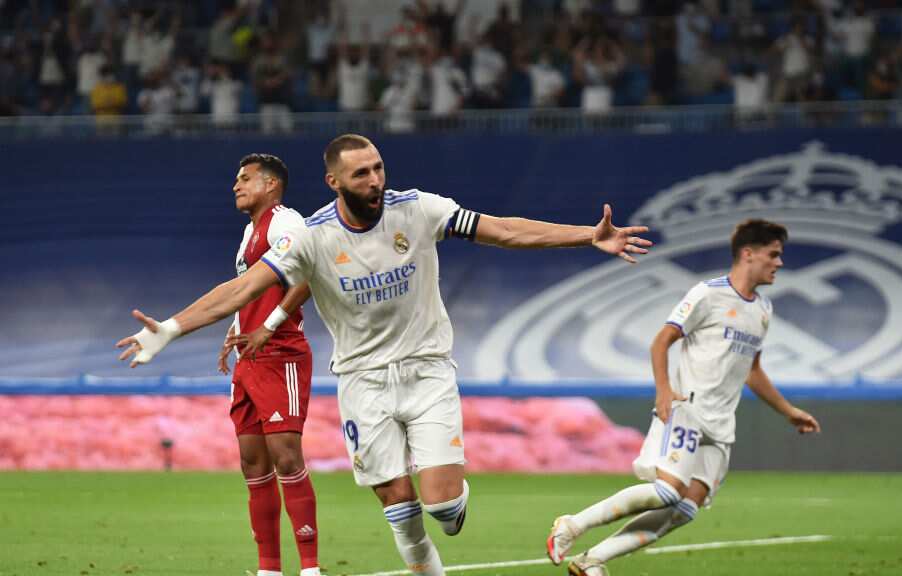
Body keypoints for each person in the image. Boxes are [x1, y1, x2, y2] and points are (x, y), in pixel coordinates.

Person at [116, 134, 653, 575]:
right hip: (362, 382)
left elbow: (503, 230)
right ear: (335, 182)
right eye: (361, 174)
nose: (375, 180)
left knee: (442, 508)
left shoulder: (418, 210)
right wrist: (170, 328)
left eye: (377, 168)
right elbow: (241, 290)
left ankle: (450, 496)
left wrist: (587, 236)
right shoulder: (312, 237)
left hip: (426, 372)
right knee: (402, 513)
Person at [546, 219, 821, 576]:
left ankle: (591, 562)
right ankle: (572, 525)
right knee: (667, 492)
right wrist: (663, 390)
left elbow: (752, 370)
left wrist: (788, 411)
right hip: (687, 406)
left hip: (721, 425)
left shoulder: (763, 310)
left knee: (684, 509)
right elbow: (662, 340)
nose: (779, 263)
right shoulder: (707, 294)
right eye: (774, 254)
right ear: (748, 254)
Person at [223, 154, 324, 576]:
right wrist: (232, 331)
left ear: (271, 185)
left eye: (245, 178)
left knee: (286, 457)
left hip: (281, 350)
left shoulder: (286, 221)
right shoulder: (250, 231)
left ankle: (311, 568)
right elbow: (247, 290)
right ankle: (268, 569)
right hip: (249, 355)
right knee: (252, 461)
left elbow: (309, 274)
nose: (236, 185)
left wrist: (269, 325)